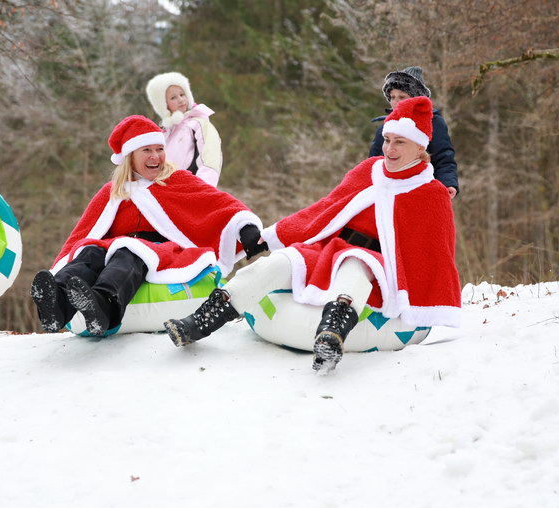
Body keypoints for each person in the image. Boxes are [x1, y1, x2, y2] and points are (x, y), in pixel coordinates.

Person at [165, 97, 461, 373]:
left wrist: (427, 304)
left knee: (356, 264)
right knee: (280, 262)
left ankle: (331, 336)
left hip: (381, 268)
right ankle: (202, 321)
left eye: (399, 142)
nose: (389, 149)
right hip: (331, 249)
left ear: (420, 148)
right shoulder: (368, 171)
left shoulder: (431, 193)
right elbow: (325, 208)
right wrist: (273, 235)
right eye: (387, 140)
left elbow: (437, 253)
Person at [30, 115, 265, 336]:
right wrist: (62, 263)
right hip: (114, 247)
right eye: (147, 150)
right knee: (90, 251)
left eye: (160, 149)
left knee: (128, 252)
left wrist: (246, 229)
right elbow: (84, 231)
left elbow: (219, 203)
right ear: (130, 156)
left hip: (160, 250)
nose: (155, 156)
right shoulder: (113, 191)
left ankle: (104, 305)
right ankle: (58, 302)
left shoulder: (177, 180)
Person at [369, 66, 459, 199]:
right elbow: (373, 162)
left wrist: (448, 183)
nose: (395, 102)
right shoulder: (386, 127)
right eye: (392, 97)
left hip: (422, 189)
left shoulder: (433, 123)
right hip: (388, 191)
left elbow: (444, 157)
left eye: (402, 97)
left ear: (416, 98)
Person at [145, 72, 223, 187]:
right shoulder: (164, 134)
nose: (181, 100)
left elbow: (211, 159)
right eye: (173, 98)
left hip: (193, 188)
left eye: (182, 94)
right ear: (164, 105)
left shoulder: (198, 124)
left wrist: (203, 189)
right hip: (168, 191)